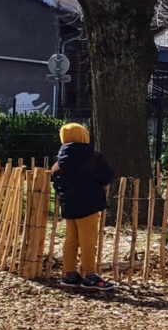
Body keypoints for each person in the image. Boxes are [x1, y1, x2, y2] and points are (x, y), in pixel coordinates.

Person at [49, 122, 117, 292]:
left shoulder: (59, 163)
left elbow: (55, 182)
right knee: (88, 240)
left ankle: (69, 273)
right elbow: (108, 176)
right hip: (89, 204)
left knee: (71, 240)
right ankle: (89, 275)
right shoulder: (93, 157)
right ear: (83, 136)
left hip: (69, 206)